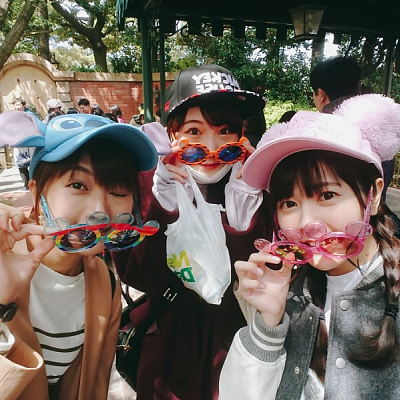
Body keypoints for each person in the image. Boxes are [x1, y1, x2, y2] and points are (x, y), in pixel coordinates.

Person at [219, 93, 400, 399]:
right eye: (289, 203)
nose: (305, 223)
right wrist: (268, 323)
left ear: (374, 194)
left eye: (327, 195)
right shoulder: (286, 290)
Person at [112, 64, 273, 399]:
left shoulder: (256, 186)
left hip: (232, 347)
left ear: (242, 135)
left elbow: (263, 277)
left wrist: (243, 219)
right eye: (195, 131)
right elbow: (137, 275)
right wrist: (164, 208)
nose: (212, 147)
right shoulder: (148, 183)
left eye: (225, 130)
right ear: (172, 133)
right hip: (168, 349)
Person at [0, 111, 158, 399]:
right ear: (36, 192)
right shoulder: (4, 260)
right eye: (78, 185)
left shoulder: (106, 287)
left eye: (118, 191)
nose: (99, 210)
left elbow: (93, 384)